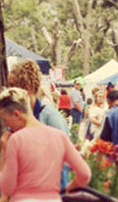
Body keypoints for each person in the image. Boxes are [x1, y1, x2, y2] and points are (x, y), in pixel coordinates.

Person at [8, 60, 73, 192]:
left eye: (14, 87)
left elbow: (64, 158)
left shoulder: (50, 116)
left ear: (30, 87)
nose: (11, 93)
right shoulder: (19, 117)